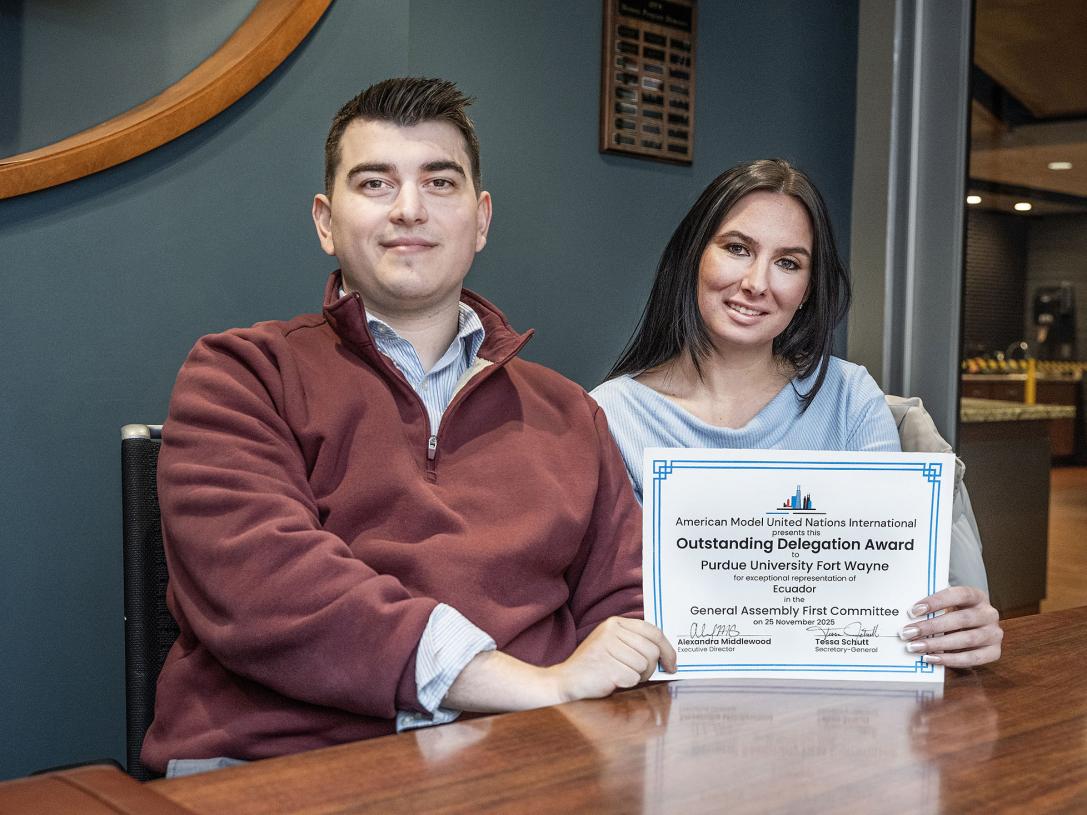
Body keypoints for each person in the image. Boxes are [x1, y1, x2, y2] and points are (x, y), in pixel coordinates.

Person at [143, 77, 675, 777]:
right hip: (282, 769)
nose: (408, 208)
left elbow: (628, 611)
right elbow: (268, 587)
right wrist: (531, 684)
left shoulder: (570, 411)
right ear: (325, 220)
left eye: (440, 182)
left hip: (524, 767)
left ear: (480, 219)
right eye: (374, 182)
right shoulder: (240, 374)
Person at [590, 159, 1002, 670]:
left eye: (788, 262)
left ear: (808, 287)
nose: (757, 283)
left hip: (843, 711)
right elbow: (611, 609)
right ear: (693, 256)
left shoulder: (851, 398)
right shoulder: (611, 415)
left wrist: (957, 627)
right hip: (672, 709)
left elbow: (895, 591)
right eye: (737, 249)